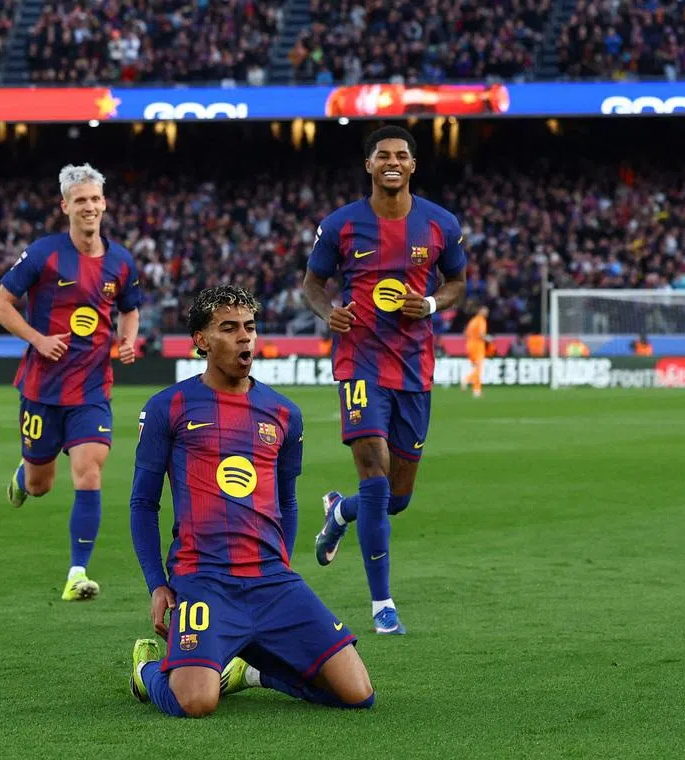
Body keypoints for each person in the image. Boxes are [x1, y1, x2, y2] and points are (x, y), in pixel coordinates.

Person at [128, 285, 374, 718]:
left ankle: (252, 672)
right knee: (196, 702)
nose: (245, 338)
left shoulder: (283, 414)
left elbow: (287, 502)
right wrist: (157, 584)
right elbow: (143, 504)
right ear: (202, 340)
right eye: (229, 328)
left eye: (250, 327)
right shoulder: (169, 406)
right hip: (203, 580)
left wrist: (284, 563)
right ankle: (148, 669)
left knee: (357, 693)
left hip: (271, 582)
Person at [303, 126, 466, 635]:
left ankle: (340, 511)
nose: (392, 161)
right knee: (373, 467)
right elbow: (313, 282)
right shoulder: (340, 225)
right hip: (360, 362)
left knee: (395, 497)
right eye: (382, 156)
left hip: (415, 368)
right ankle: (382, 606)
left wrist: (435, 303)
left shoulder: (441, 224)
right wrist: (328, 311)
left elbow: (458, 281)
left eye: (401, 155)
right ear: (369, 165)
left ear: (412, 166)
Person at [0, 164, 141, 601]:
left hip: (93, 390)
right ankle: (24, 474)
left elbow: (129, 309)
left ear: (104, 203)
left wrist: (127, 340)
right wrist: (37, 339)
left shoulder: (121, 261)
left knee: (89, 473)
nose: (89, 207)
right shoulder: (44, 254)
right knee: (41, 485)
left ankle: (77, 573)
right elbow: (0, 304)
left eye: (95, 199)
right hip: (42, 389)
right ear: (65, 206)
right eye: (80, 201)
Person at [463, 305, 489, 397]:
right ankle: (474, 388)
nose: (487, 313)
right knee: (478, 368)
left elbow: (465, 333)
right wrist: (489, 339)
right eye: (485, 311)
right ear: (480, 311)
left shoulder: (472, 320)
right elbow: (482, 334)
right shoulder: (481, 320)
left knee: (476, 368)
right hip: (478, 347)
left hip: (469, 346)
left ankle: (471, 383)